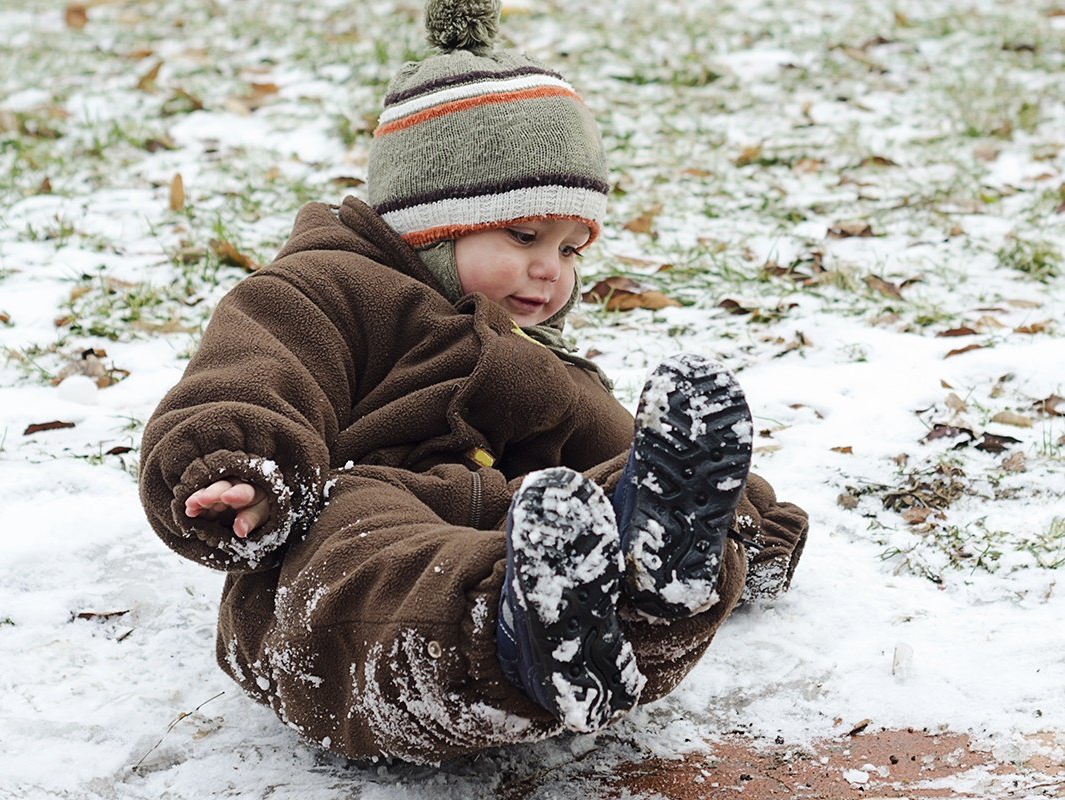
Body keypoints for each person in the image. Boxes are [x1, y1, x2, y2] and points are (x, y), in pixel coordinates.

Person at [139, 0, 808, 765]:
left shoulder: (537, 360)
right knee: (358, 530)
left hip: (529, 532)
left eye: (571, 248)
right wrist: (238, 470)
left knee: (598, 492)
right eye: (524, 236)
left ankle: (644, 587)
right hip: (355, 523)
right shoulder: (327, 291)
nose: (549, 270)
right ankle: (512, 631)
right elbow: (251, 376)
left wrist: (743, 516)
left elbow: (618, 440)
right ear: (431, 222)